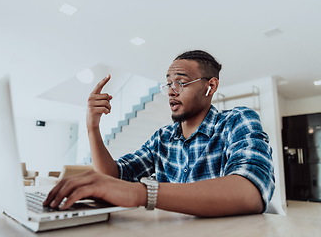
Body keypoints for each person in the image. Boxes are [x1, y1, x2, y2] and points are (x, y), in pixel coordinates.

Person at [44, 50, 275, 217]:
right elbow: (114, 176)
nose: (171, 92)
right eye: (168, 84)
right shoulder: (162, 138)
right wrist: (92, 126)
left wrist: (142, 193)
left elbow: (250, 191)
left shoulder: (237, 121)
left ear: (210, 86)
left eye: (181, 83)